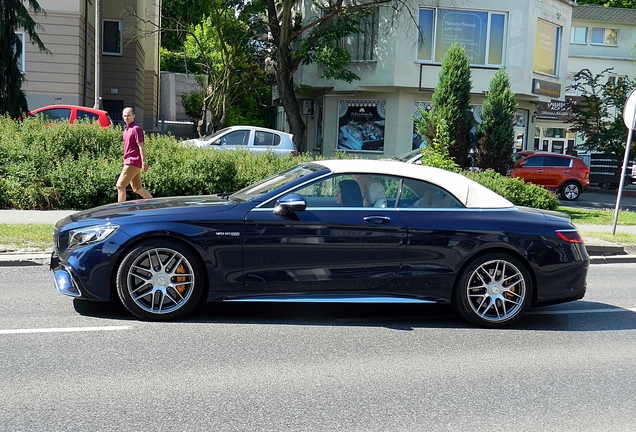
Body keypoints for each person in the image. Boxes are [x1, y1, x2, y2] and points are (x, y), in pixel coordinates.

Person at [116, 107, 153, 202]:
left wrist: (144, 162)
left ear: (134, 116)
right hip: (130, 162)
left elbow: (141, 147)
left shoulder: (136, 129)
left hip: (132, 162)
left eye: (128, 115)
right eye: (124, 116)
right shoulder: (127, 130)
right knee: (137, 188)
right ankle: (153, 204)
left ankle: (120, 211)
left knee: (120, 186)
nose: (126, 117)